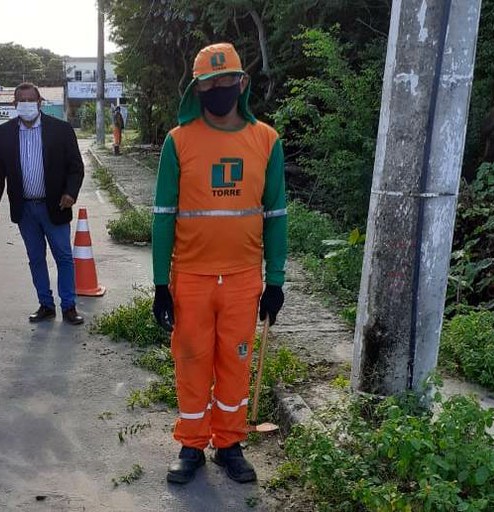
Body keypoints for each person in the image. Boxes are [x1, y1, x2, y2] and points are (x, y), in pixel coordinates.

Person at [151, 43, 288, 485]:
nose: (219, 89)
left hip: (244, 279)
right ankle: (191, 445)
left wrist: (276, 280)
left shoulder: (266, 141)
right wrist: (160, 284)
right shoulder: (179, 141)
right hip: (190, 277)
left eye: (227, 80)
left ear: (241, 83)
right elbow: (163, 218)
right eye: (209, 83)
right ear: (197, 88)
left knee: (236, 363)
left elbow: (277, 216)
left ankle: (229, 442)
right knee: (191, 361)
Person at [0, 83, 85, 325]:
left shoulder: (60, 130)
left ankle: (69, 306)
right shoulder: (6, 133)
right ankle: (46, 305)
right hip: (25, 209)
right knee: (36, 259)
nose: (27, 104)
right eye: (22, 100)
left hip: (55, 206)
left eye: (31, 100)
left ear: (40, 102)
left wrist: (70, 193)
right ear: (14, 104)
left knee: (63, 257)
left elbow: (76, 167)